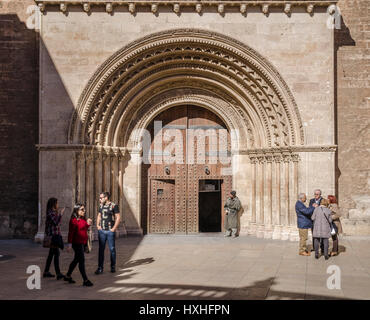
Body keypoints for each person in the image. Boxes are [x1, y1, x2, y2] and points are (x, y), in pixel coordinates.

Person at [65, 203, 93, 287]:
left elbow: (84, 228)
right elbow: (71, 233)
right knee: (81, 261)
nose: (84, 211)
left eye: (84, 209)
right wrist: (69, 244)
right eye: (82, 209)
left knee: (76, 260)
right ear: (77, 210)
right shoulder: (73, 220)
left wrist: (88, 224)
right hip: (76, 243)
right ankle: (85, 280)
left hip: (83, 243)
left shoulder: (82, 219)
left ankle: (68, 275)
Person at [95, 192, 120, 274]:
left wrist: (113, 229)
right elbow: (99, 215)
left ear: (106, 198)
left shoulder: (114, 205)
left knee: (112, 249)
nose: (100, 199)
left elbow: (118, 217)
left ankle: (113, 266)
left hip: (110, 231)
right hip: (102, 231)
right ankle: (100, 268)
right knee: (101, 249)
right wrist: (97, 225)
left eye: (101, 198)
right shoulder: (101, 205)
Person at [43, 197, 66, 280]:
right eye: (57, 203)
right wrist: (60, 214)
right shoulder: (50, 213)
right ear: (54, 204)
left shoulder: (53, 212)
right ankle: (58, 273)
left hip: (55, 235)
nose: (58, 205)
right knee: (56, 254)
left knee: (51, 254)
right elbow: (56, 223)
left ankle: (46, 271)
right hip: (53, 237)